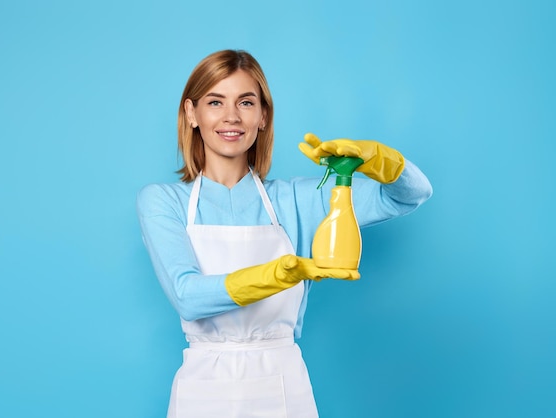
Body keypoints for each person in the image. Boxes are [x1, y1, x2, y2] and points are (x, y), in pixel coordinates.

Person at [136, 49, 432, 418]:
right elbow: (188, 297)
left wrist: (379, 160)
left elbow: (410, 195)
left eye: (246, 102)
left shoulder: (300, 200)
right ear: (192, 114)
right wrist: (279, 274)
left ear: (263, 116)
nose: (231, 116)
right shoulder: (164, 202)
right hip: (203, 390)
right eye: (215, 101)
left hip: (282, 385)